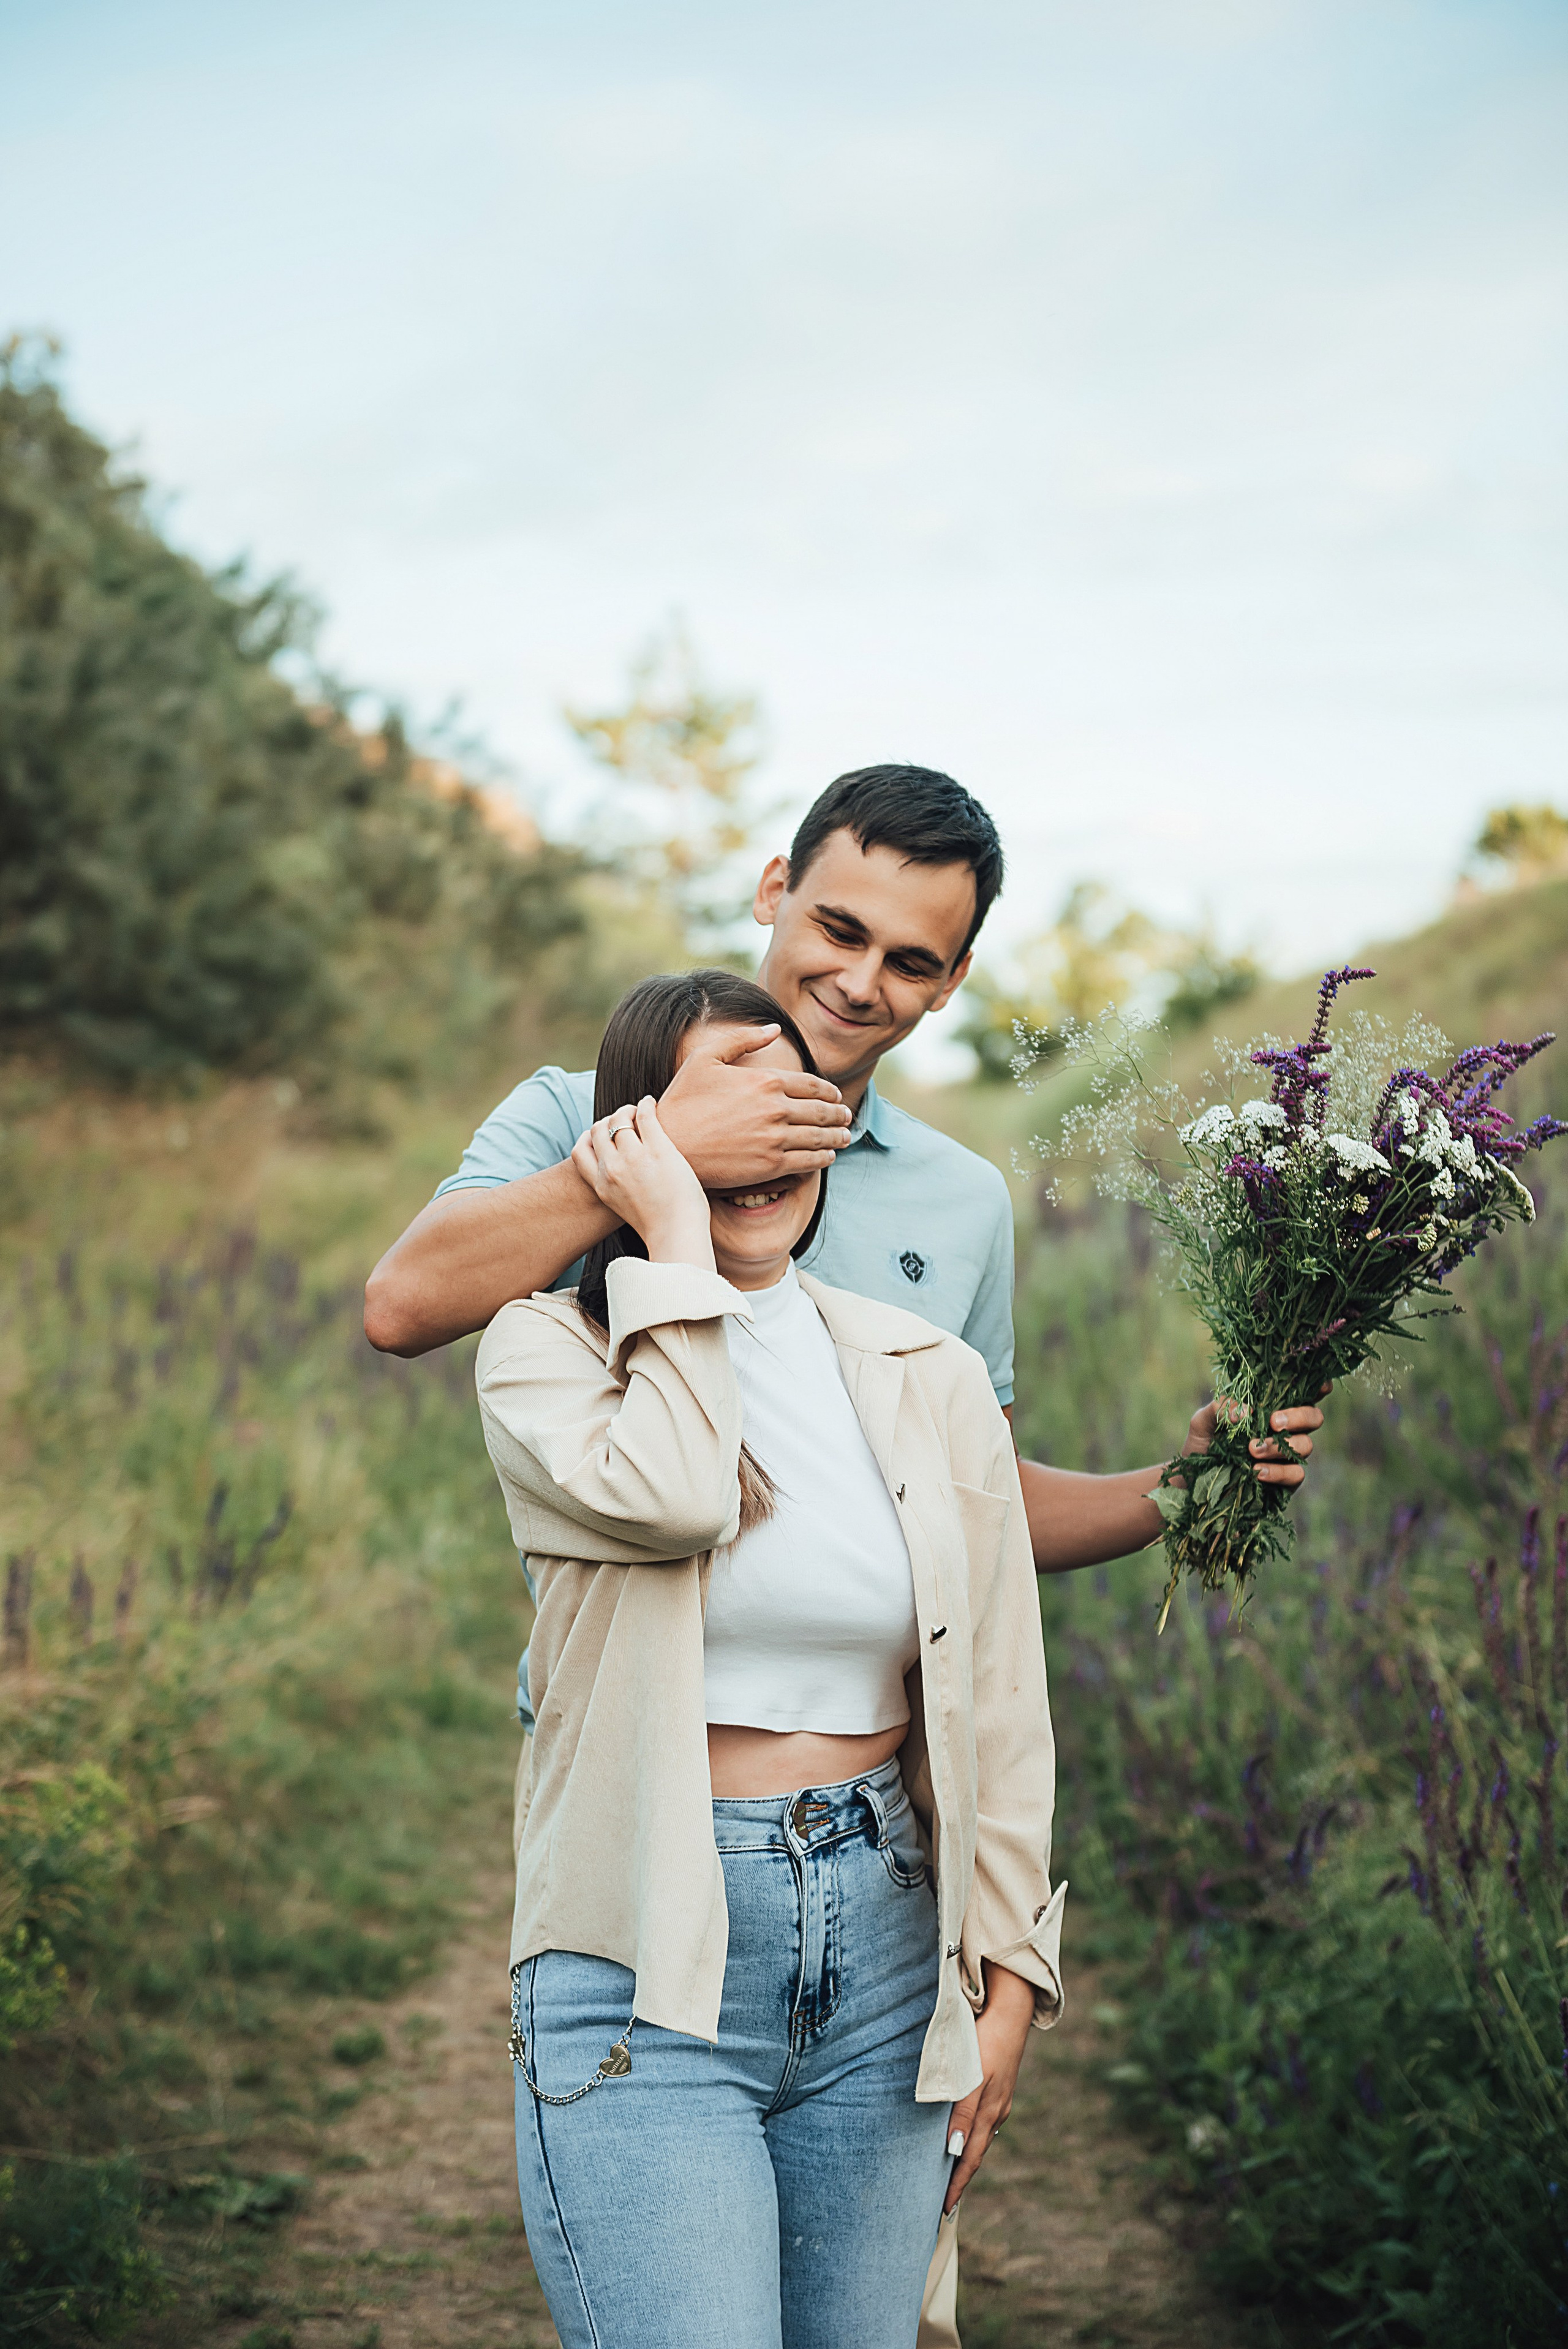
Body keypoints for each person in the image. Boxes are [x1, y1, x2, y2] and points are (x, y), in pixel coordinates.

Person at [365, 763, 1325, 2343]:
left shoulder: (956, 1201)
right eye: (835, 925)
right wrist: (665, 1149)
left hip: (882, 1872)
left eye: (911, 960)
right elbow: (408, 1306)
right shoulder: (580, 1105)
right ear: (771, 891)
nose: (857, 981)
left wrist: (1178, 1486)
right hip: (651, 1826)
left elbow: (965, 1513)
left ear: (950, 983)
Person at [477, 969, 1060, 2349]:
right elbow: (682, 1492)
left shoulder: (922, 1370)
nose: (757, 1134)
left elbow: (998, 1699)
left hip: (883, 1953)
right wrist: (668, 1230)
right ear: (634, 1136)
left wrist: (1012, 1979)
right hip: (639, 1951)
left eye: (780, 1091)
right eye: (709, 1102)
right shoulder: (542, 1351)